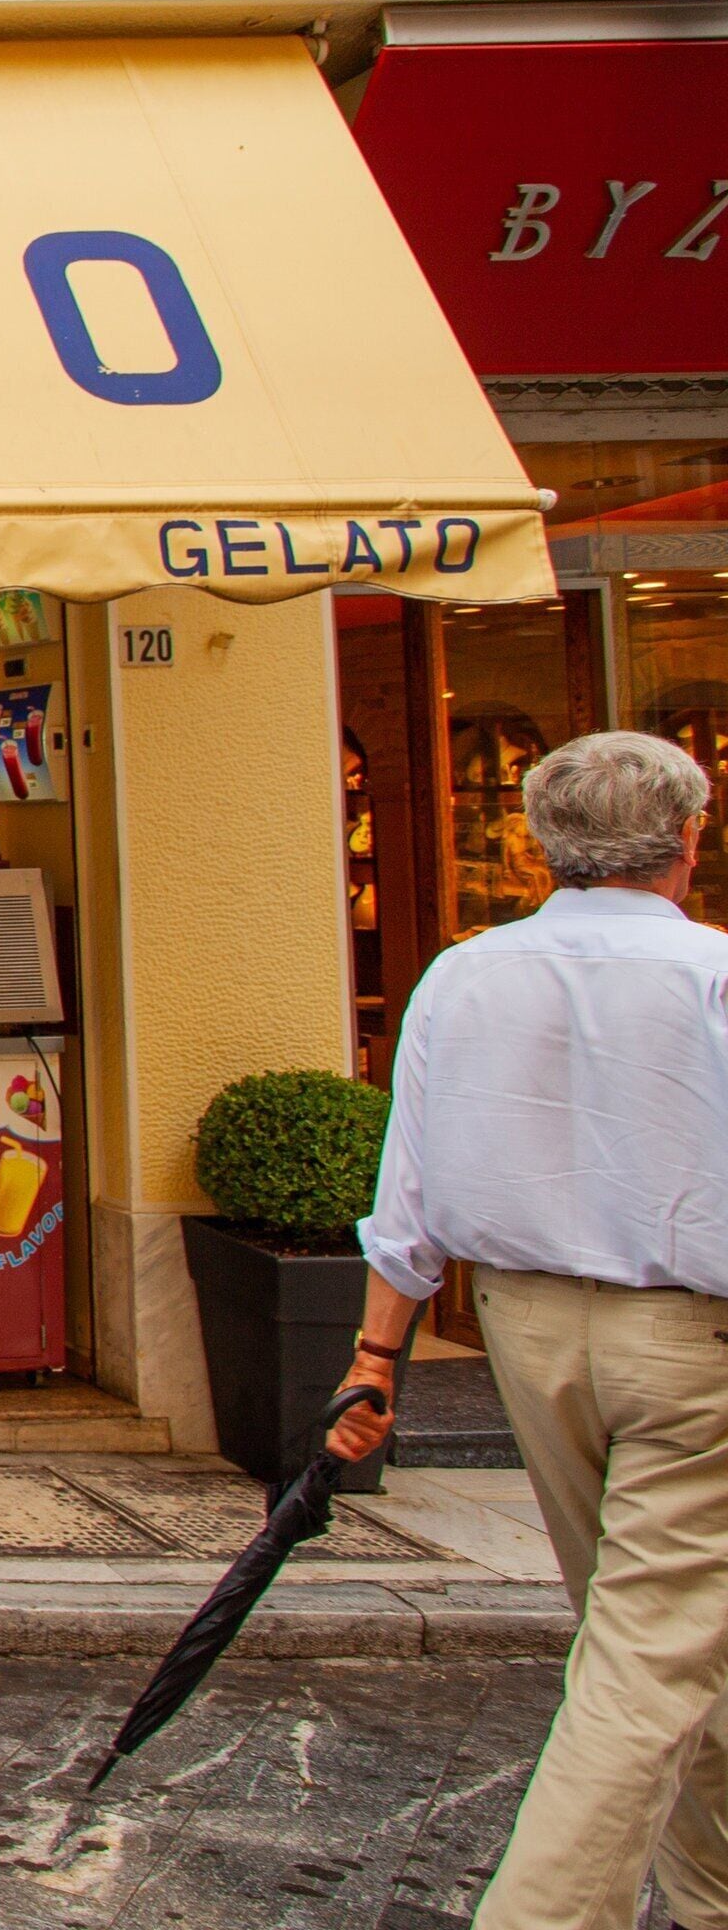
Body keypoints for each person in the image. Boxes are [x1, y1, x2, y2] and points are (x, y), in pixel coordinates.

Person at [325, 731, 728, 1930]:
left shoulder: (466, 974)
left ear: (541, 847)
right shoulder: (712, 975)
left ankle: (713, 1891)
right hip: (695, 1343)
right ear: (690, 841)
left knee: (647, 1626)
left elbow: (412, 1188)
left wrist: (374, 1355)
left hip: (527, 1333)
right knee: (648, 1648)